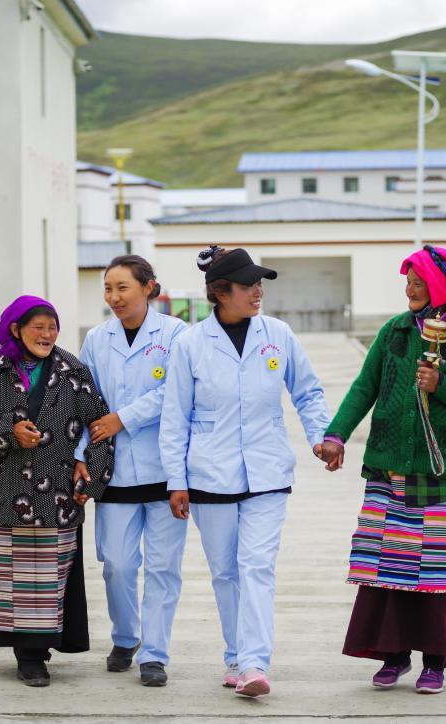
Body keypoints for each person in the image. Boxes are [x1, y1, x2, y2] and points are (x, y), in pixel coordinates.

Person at [319, 245, 446, 694]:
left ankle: (435, 662)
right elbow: (364, 387)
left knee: (434, 573)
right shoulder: (395, 332)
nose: (409, 291)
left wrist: (443, 385)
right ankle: (394, 656)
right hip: (389, 472)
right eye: (408, 283)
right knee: (387, 568)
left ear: (441, 287)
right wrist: (336, 435)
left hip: (445, 479)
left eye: (418, 283)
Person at [159, 245, 333, 698]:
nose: (258, 292)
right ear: (220, 292)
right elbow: (175, 416)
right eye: (248, 285)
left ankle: (255, 663)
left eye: (259, 284)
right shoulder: (191, 344)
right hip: (209, 473)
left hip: (267, 471)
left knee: (256, 566)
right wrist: (176, 480)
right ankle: (236, 655)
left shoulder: (278, 335)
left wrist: (321, 436)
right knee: (225, 572)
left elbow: (308, 392)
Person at [0, 295, 114, 687]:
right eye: (38, 327)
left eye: (53, 327)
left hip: (56, 494)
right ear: (16, 329)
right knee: (12, 579)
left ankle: (35, 655)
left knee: (46, 579)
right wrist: (8, 433)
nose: (47, 335)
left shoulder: (73, 371)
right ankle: (26, 656)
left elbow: (100, 426)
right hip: (5, 491)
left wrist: (91, 477)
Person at [74, 255, 188, 687]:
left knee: (162, 568)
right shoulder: (96, 339)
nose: (114, 297)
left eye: (123, 287)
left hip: (165, 470)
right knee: (117, 565)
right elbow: (84, 402)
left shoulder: (176, 334)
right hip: (114, 471)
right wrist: (81, 455)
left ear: (148, 287)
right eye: (108, 288)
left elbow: (176, 392)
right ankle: (126, 637)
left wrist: (123, 418)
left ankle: (154, 654)